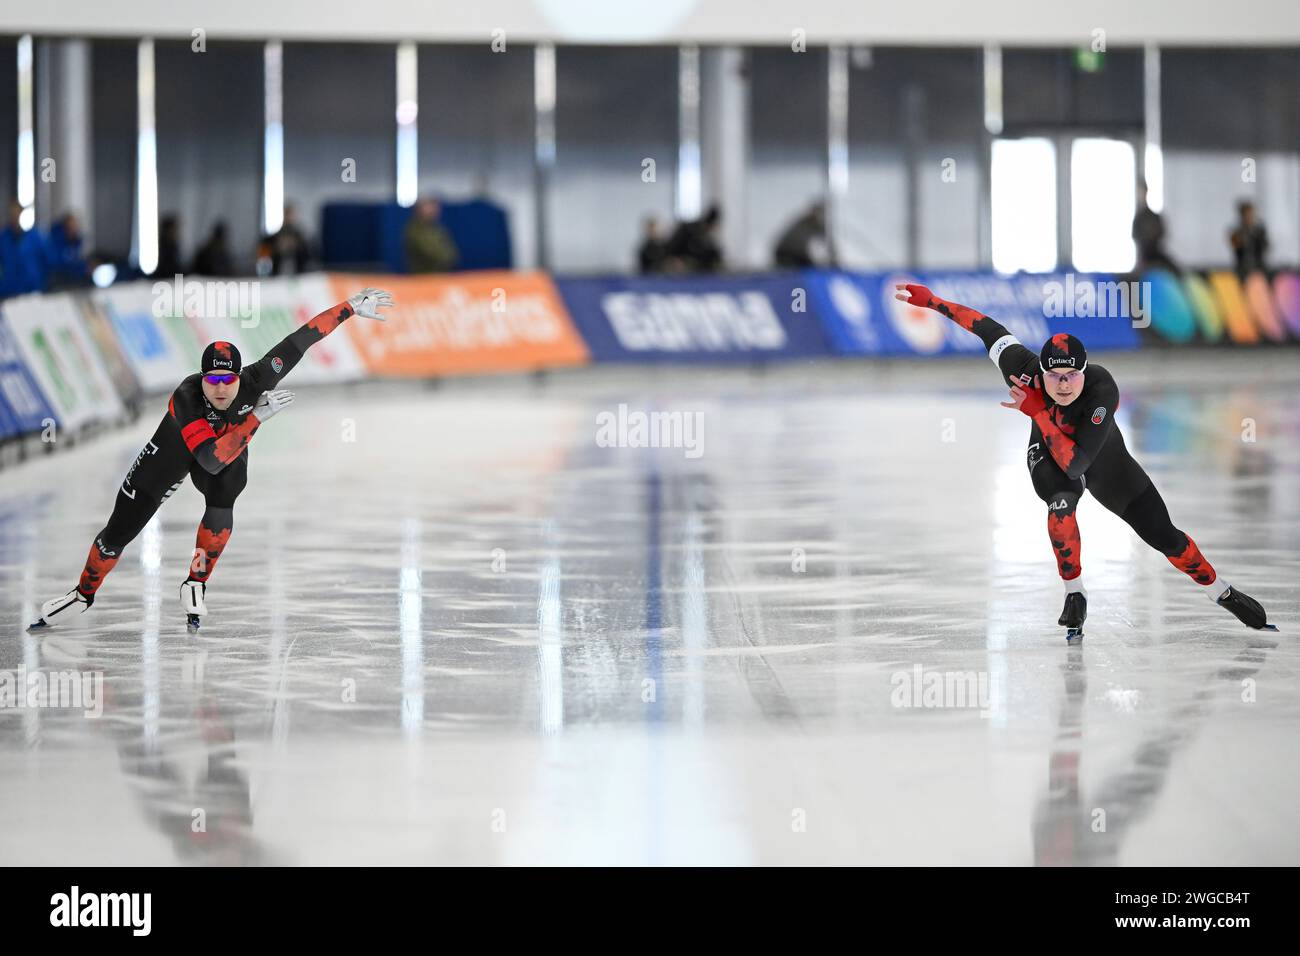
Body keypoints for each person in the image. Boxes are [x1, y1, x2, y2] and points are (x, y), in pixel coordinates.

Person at [894, 282, 1274, 638]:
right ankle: (1074, 593)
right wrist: (932, 302)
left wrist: (1036, 412)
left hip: (1102, 460)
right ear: (1038, 371)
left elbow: (1079, 464)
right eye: (1054, 376)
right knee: (1060, 512)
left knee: (1166, 538)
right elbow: (984, 327)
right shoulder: (1020, 367)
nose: (1063, 384)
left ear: (1084, 370)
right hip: (1048, 453)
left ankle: (1221, 591)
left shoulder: (1101, 389)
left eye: (1072, 375)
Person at [29, 287, 396, 632]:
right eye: (213, 379)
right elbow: (207, 460)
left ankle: (196, 580)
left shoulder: (257, 379)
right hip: (171, 458)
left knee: (228, 490)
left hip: (224, 454)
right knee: (118, 533)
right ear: (202, 378)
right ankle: (83, 593)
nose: (221, 388)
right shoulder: (187, 397)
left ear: (241, 376)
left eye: (228, 379)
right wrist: (254, 420)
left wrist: (348, 307)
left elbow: (302, 340)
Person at [0, 199, 47, 296]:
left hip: (33, 290)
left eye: (17, 213)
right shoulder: (3, 239)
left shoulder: (35, 237)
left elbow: (44, 262)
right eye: (12, 214)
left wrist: (42, 285)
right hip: (8, 292)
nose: (15, 217)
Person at [773, 200, 837, 269]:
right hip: (786, 252)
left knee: (812, 265)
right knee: (810, 266)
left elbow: (829, 243)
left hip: (795, 253)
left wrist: (834, 259)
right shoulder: (806, 222)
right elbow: (828, 243)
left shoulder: (818, 224)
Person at [1131, 184, 1178, 275]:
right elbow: (1135, 235)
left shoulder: (1154, 216)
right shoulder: (1138, 218)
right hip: (1144, 257)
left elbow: (1163, 233)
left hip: (1157, 255)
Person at [404, 197, 459, 273]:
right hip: (422, 277)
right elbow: (431, 253)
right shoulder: (415, 230)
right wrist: (443, 256)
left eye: (435, 207)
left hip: (441, 275)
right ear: (419, 209)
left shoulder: (438, 229)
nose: (434, 210)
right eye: (430, 206)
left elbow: (452, 254)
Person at [666, 204, 724, 273]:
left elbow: (713, 255)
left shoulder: (707, 239)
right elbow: (673, 245)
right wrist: (675, 258)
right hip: (677, 266)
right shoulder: (689, 230)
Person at [45, 211, 89, 288]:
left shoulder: (76, 243)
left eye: (76, 225)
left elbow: (78, 261)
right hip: (58, 282)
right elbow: (56, 264)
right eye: (72, 225)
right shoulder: (55, 242)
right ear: (66, 227)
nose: (75, 228)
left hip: (73, 282)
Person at [267, 203, 312, 276]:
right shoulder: (276, 236)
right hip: (278, 273)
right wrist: (278, 247)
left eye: (290, 214)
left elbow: (307, 254)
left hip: (298, 273)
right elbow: (269, 253)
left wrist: (295, 245)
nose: (288, 217)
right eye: (286, 214)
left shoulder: (300, 235)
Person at [1228, 200, 1269, 277]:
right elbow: (1235, 246)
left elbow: (1266, 247)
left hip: (1260, 270)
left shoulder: (1260, 231)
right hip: (1242, 270)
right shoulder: (1235, 232)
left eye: (1251, 214)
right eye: (1246, 215)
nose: (1249, 217)